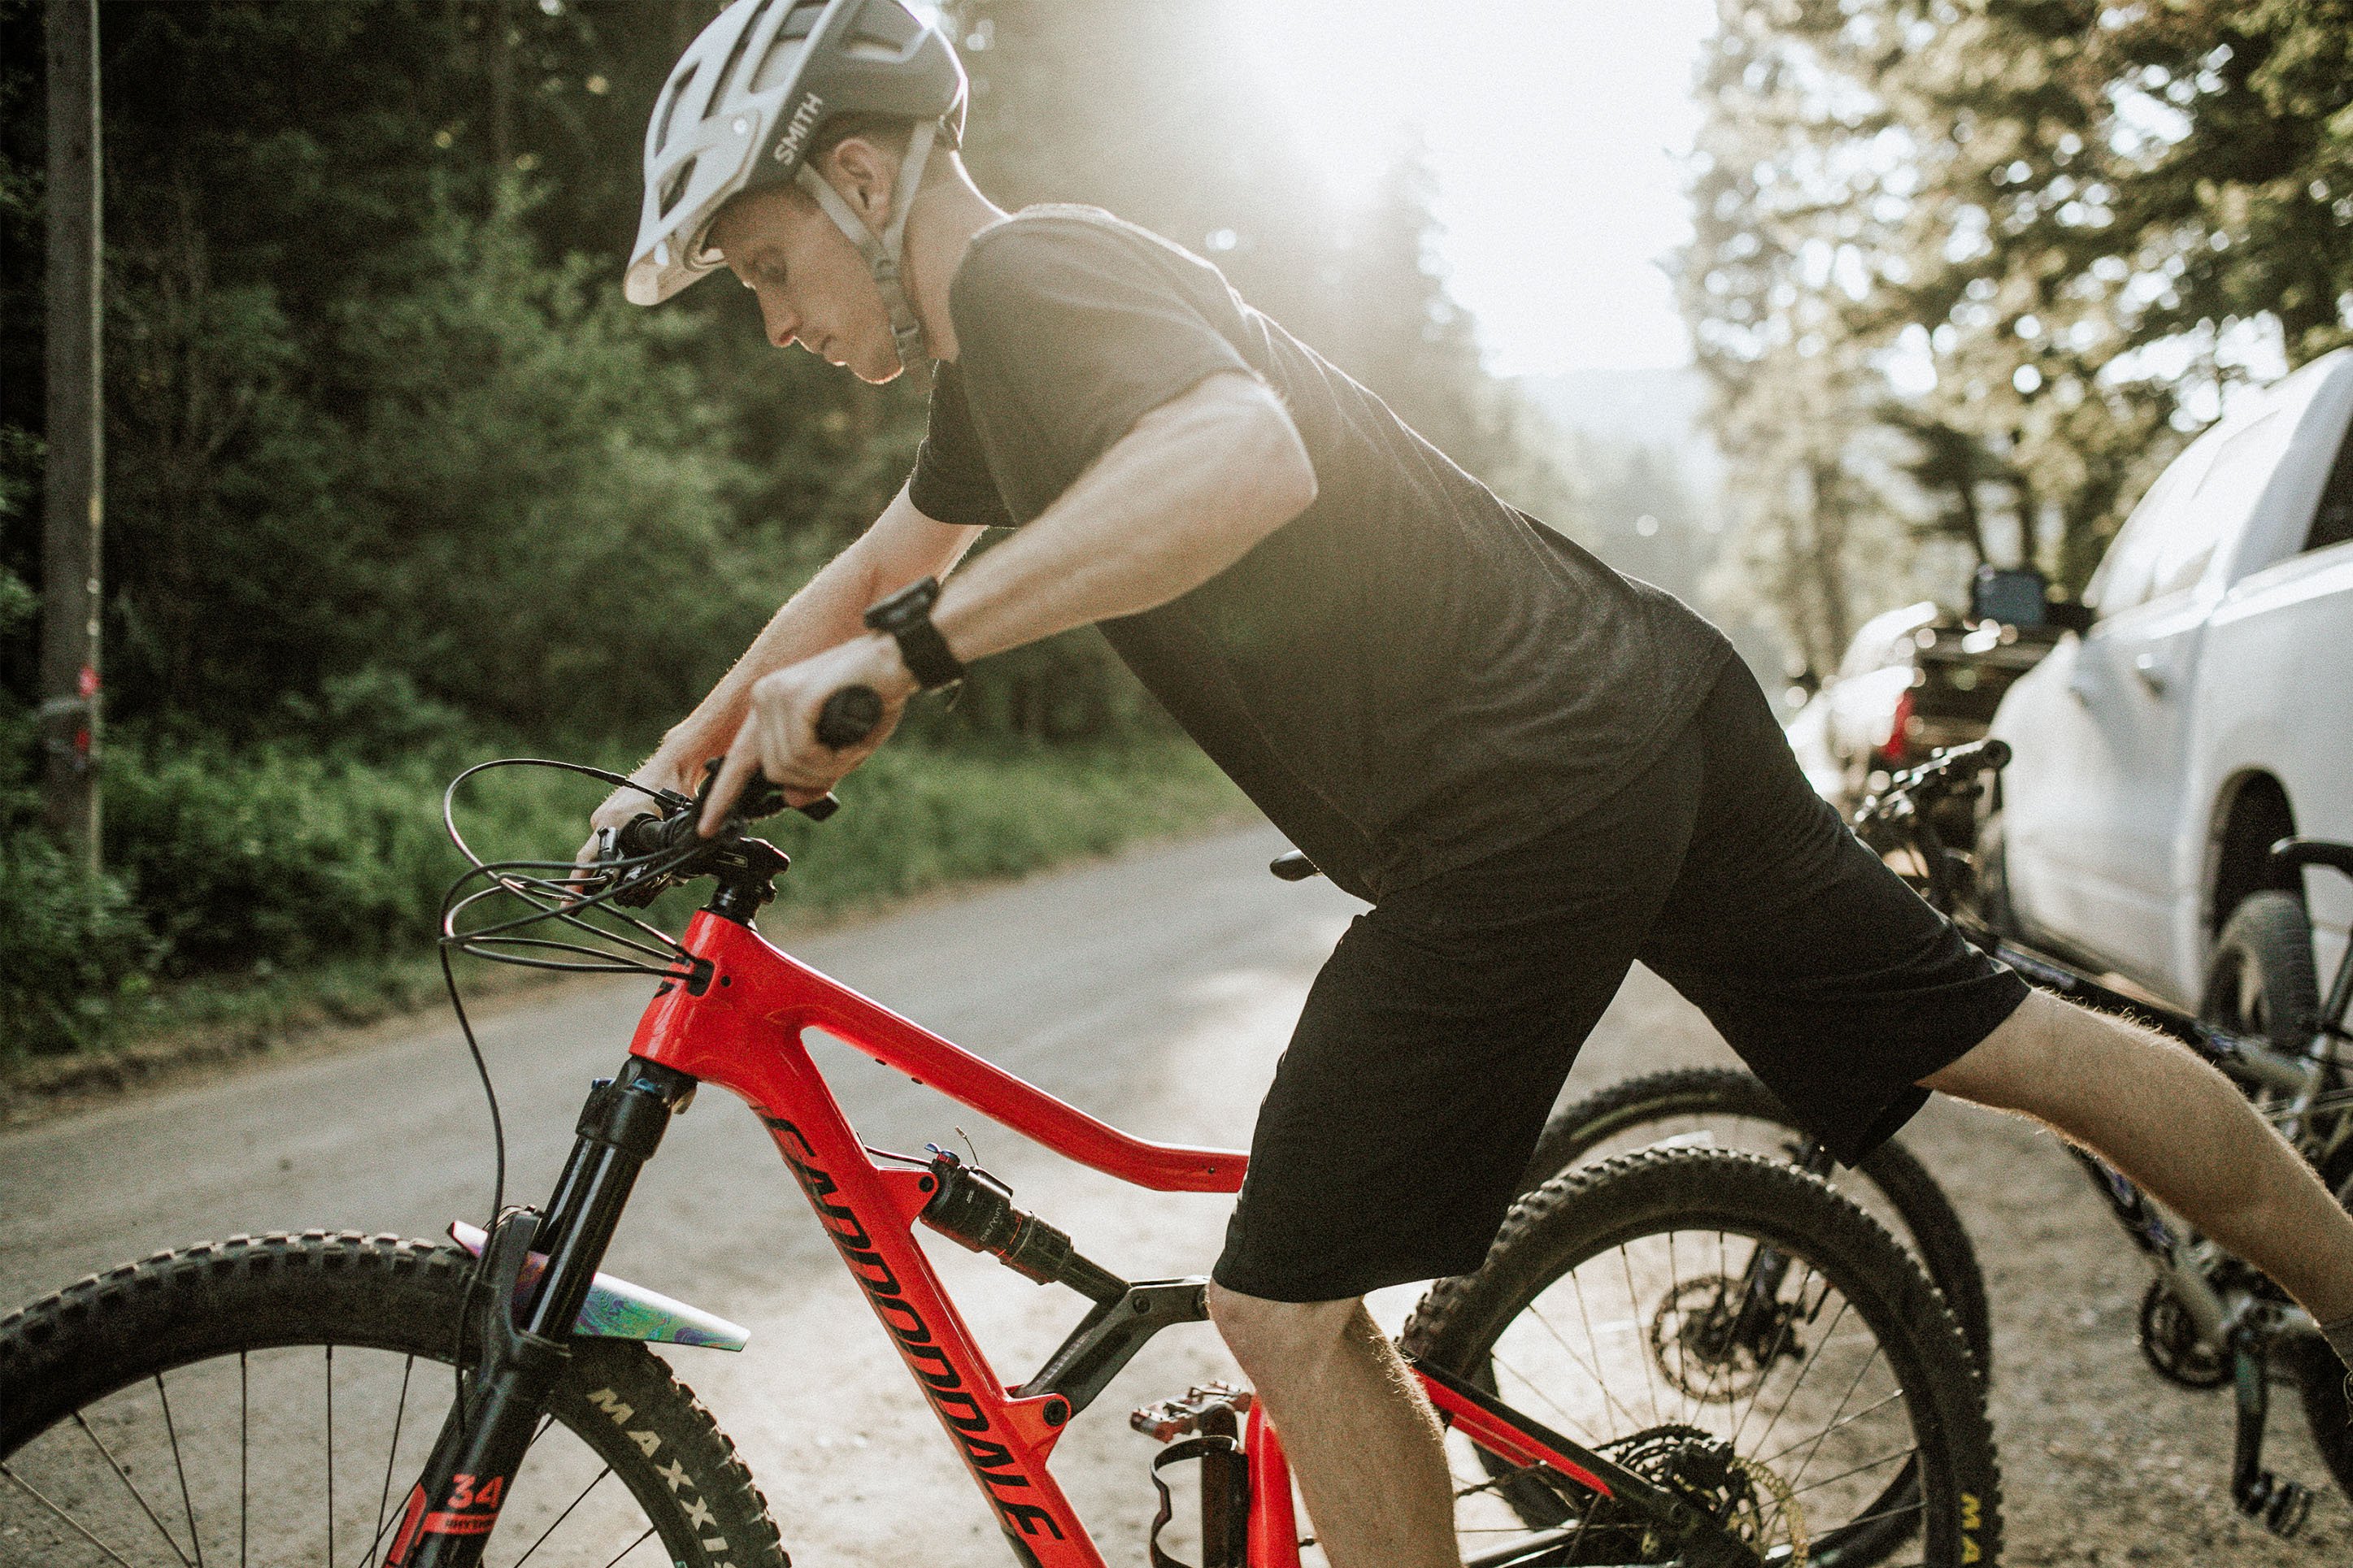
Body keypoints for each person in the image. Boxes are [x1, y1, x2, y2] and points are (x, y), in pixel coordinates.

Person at [590, 3, 2353, 1561]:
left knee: (1280, 1313)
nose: (777, 322)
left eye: (763, 267)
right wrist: (680, 763)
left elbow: (1239, 453)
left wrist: (912, 652)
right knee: (2006, 1037)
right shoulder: (1015, 338)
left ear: (858, 180)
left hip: (1522, 796)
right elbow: (891, 545)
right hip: (1641, 694)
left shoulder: (1037, 279)